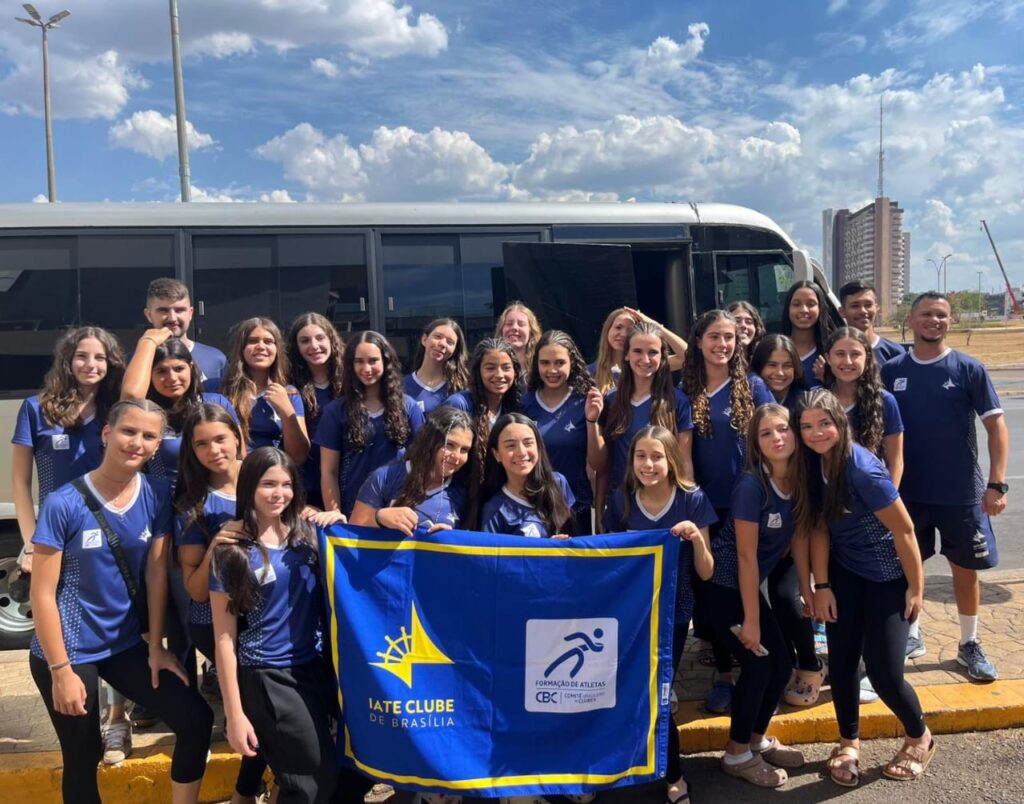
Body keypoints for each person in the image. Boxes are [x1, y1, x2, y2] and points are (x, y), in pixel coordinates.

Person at [28, 399, 214, 804]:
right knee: (83, 752)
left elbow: (156, 572)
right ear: (108, 434)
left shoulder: (156, 493)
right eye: (129, 431)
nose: (138, 442)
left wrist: (155, 646)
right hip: (68, 648)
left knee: (196, 718)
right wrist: (61, 671)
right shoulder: (65, 502)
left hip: (125, 644)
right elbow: (41, 593)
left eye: (150, 436)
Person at [793, 389, 934, 787]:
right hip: (845, 573)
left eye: (824, 423)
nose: (816, 433)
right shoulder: (813, 464)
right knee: (841, 664)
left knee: (886, 672)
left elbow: (905, 531)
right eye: (806, 426)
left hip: (889, 575)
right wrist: (821, 586)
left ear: (840, 422)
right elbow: (819, 526)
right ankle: (849, 742)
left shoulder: (862, 469)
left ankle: (918, 735)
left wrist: (916, 589)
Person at [210, 447, 360, 804]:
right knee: (310, 779)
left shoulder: (308, 535)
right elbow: (224, 638)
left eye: (286, 484)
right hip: (268, 675)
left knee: (337, 772)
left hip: (316, 668)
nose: (279, 493)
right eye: (268, 484)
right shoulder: (232, 550)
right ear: (248, 488)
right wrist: (234, 714)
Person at [881, 292, 1008, 679]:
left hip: (960, 494)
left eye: (941, 315)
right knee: (907, 566)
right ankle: (912, 634)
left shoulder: (969, 368)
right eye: (926, 314)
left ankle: (969, 643)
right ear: (912, 321)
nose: (933, 321)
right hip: (908, 495)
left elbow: (996, 427)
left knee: (964, 569)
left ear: (950, 322)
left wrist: (997, 484)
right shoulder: (893, 370)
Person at [601, 426, 714, 804]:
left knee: (660, 694)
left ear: (671, 461)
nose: (648, 464)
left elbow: (707, 571)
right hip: (632, 613)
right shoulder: (621, 502)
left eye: (657, 457)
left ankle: (675, 776)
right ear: (631, 461)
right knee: (632, 691)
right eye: (641, 456)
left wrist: (696, 538)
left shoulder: (692, 499)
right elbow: (610, 561)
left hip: (675, 614)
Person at [174, 404, 269, 804]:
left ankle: (249, 790)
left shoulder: (266, 476)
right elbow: (196, 589)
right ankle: (245, 794)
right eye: (201, 444)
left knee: (270, 712)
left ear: (237, 437)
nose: (213, 450)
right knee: (256, 711)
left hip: (270, 616)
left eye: (220, 438)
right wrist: (217, 542)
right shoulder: (192, 505)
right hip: (214, 622)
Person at [679, 310, 772, 713]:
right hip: (705, 508)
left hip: (746, 506)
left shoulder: (752, 387)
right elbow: (682, 452)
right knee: (712, 594)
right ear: (698, 341)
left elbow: (771, 442)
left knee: (744, 588)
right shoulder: (685, 388)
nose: (722, 344)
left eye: (730, 337)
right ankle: (723, 673)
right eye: (714, 336)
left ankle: (756, 662)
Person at [708, 404, 806, 787]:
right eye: (766, 433)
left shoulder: (798, 479)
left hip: (747, 589)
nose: (777, 437)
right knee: (760, 666)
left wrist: (810, 587)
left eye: (783, 429)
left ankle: (755, 740)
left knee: (782, 666)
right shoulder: (752, 485)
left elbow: (798, 536)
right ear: (756, 443)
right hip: (725, 590)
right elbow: (746, 558)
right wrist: (751, 619)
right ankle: (736, 755)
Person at [12, 326, 125, 576]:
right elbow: (20, 483)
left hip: (110, 527)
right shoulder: (35, 409)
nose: (90, 364)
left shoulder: (117, 412)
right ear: (67, 361)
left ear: (111, 364)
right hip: (55, 532)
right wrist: (32, 544)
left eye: (100, 357)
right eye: (81, 356)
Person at [587, 321, 694, 522]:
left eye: (653, 352)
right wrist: (600, 511)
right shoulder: (611, 400)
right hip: (623, 508)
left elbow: (684, 462)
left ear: (662, 356)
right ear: (626, 355)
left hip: (666, 505)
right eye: (637, 351)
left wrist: (686, 507)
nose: (645, 359)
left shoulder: (677, 401)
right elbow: (601, 466)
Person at [317, 331, 424, 518]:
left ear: (385, 362)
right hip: (354, 514)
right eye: (359, 361)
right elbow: (329, 472)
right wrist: (335, 516)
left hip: (398, 513)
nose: (366, 368)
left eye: (373, 360)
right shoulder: (336, 411)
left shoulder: (409, 407)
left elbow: (422, 463)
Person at [121, 330, 239, 484]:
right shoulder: (146, 414)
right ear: (149, 375)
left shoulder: (217, 404)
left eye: (179, 369)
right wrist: (147, 342)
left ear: (191, 367)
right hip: (159, 500)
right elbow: (131, 398)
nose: (172, 378)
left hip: (207, 500)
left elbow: (239, 457)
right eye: (161, 371)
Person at [350, 406, 474, 533]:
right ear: (430, 441)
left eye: (464, 450)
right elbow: (350, 534)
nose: (456, 456)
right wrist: (379, 518)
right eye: (449, 445)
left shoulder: (464, 493)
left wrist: (448, 539)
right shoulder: (385, 477)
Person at [522, 330, 598, 533]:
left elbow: (598, 462)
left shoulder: (585, 401)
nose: (552, 370)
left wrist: (592, 420)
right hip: (533, 508)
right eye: (545, 363)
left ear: (572, 362)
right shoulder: (524, 404)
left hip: (576, 508)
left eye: (559, 362)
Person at [215, 317, 310, 465]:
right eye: (253, 341)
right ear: (241, 348)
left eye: (268, 341)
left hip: (274, 476)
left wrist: (286, 410)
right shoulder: (220, 391)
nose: (261, 346)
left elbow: (298, 456)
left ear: (277, 349)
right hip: (235, 477)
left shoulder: (290, 394)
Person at [824, 327, 904, 485]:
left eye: (855, 354)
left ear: (867, 358)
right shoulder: (817, 399)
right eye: (840, 354)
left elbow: (896, 462)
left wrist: (888, 501)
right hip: (827, 497)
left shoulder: (885, 401)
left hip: (871, 494)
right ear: (828, 358)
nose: (847, 361)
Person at [442, 337, 522, 490]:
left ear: (515, 372)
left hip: (498, 493)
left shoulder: (514, 407)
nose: (499, 375)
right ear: (478, 371)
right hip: (460, 495)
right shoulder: (459, 404)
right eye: (490, 368)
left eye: (506, 367)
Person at [478, 412, 576, 537]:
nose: (521, 452)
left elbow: (575, 540)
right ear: (496, 454)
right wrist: (547, 548)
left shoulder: (558, 482)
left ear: (538, 447)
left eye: (528, 443)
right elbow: (492, 555)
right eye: (511, 445)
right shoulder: (493, 510)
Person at [288, 313, 345, 509]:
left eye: (320, 338)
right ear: (296, 347)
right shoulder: (290, 385)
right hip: (306, 484)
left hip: (347, 478)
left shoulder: (350, 381)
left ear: (331, 340)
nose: (314, 346)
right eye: (305, 341)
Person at [143, 277, 227, 384]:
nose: (172, 318)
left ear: (190, 313)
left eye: (179, 310)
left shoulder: (215, 359)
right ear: (149, 315)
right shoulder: (134, 362)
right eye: (163, 310)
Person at [403, 318, 469, 414]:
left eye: (450, 342)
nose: (442, 344)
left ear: (455, 350)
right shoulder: (402, 386)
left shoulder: (461, 387)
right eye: (438, 337)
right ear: (424, 339)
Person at [781, 281, 833, 388]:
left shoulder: (832, 351)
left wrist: (828, 378)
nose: (804, 310)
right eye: (796, 304)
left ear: (820, 309)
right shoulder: (776, 349)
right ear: (788, 309)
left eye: (811, 304)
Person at [838, 280, 905, 364]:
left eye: (868, 305)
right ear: (842, 312)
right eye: (855, 306)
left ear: (876, 308)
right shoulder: (833, 353)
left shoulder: (895, 353)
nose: (863, 311)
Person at [750, 334, 805, 411]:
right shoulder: (746, 399)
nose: (780, 373)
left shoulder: (804, 403)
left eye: (787, 366)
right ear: (759, 366)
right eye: (772, 365)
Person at [494, 302, 542, 383]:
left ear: (531, 332)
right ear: (501, 330)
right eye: (509, 324)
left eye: (521, 324)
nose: (514, 328)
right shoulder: (491, 366)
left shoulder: (541, 366)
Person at [726, 301, 766, 365]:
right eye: (737, 321)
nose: (743, 325)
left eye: (749, 322)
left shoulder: (763, 360)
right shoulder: (721, 362)